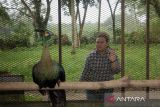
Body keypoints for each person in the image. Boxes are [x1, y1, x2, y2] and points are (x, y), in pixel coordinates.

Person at [80, 32, 121, 101]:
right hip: (92, 88)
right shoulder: (91, 56)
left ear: (107, 44)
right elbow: (85, 72)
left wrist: (113, 61)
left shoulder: (112, 55)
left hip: (107, 89)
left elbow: (117, 71)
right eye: (97, 42)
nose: (99, 44)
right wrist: (78, 85)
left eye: (102, 42)